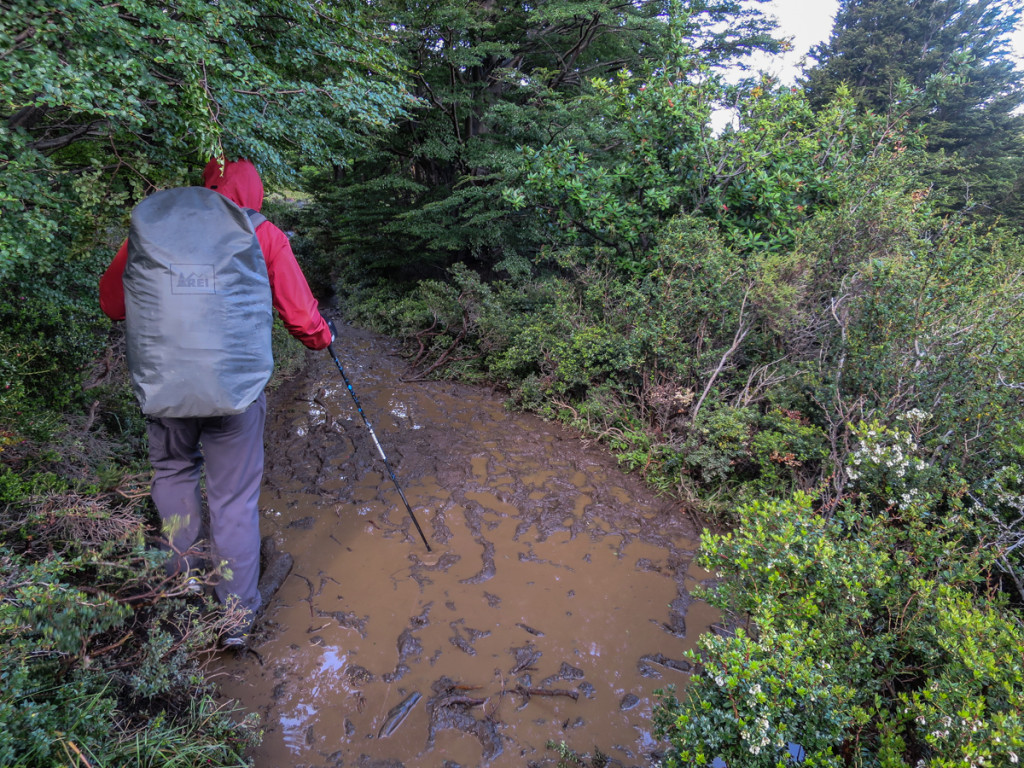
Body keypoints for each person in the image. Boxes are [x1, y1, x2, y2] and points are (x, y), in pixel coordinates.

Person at [99, 157, 334, 647]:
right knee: (233, 500)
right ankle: (235, 620)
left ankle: (182, 591)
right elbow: (300, 316)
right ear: (255, 193)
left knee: (173, 475)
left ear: (208, 185)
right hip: (236, 394)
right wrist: (322, 337)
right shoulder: (262, 233)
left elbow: (113, 304)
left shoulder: (156, 230)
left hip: (165, 389)